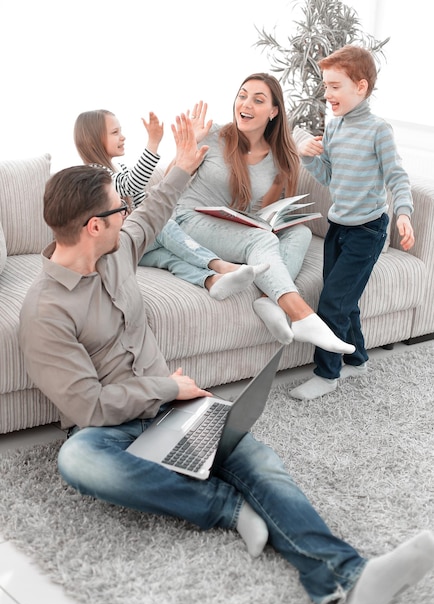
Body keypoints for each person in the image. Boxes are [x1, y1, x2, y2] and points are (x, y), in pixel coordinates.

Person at [18, 114, 434, 604]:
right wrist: (167, 385)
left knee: (258, 463)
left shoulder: (117, 248)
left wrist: (182, 165)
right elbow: (88, 405)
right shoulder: (44, 312)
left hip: (175, 405)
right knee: (79, 460)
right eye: (117, 209)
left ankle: (347, 577)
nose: (127, 215)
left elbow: (153, 213)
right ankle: (227, 508)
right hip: (114, 426)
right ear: (93, 225)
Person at [172, 74, 355, 354]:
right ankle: (303, 315)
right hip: (189, 220)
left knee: (300, 232)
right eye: (242, 95)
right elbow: (169, 184)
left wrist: (281, 188)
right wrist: (188, 146)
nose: (245, 104)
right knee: (261, 242)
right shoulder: (212, 135)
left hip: (232, 229)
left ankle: (267, 299)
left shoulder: (278, 156)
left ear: (273, 112)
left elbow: (261, 212)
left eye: (258, 100)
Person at [289, 45, 415, 400]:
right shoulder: (334, 128)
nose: (327, 94)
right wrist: (307, 155)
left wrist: (404, 213)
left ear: (360, 87)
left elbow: (397, 177)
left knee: (332, 301)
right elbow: (329, 176)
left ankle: (327, 374)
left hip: (368, 231)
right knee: (346, 300)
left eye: (334, 86)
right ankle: (357, 358)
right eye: (325, 86)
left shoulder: (378, 131)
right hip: (338, 227)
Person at [73, 109, 268, 301]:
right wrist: (153, 143)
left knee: (168, 257)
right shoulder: (93, 175)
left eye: (121, 131)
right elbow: (132, 184)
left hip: (134, 246)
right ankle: (220, 265)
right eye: (115, 133)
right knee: (164, 227)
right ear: (93, 140)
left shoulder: (120, 169)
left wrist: (183, 156)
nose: (123, 137)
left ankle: (212, 281)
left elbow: (148, 204)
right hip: (117, 247)